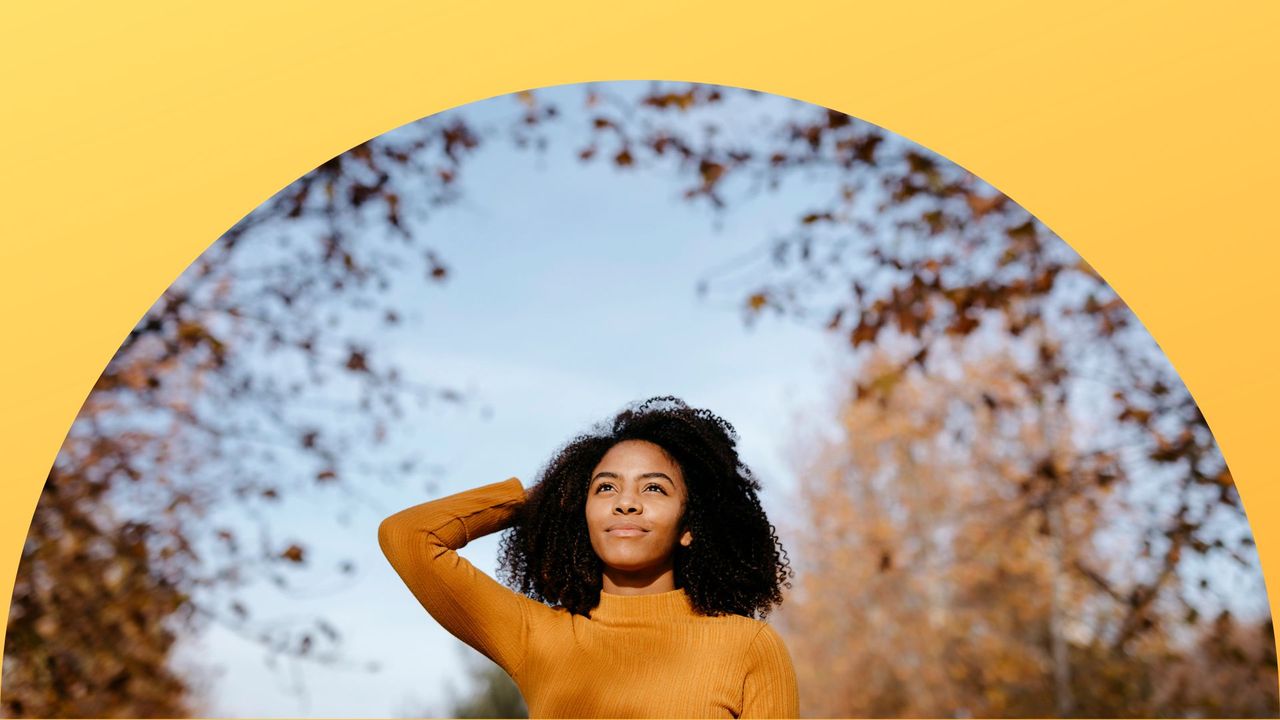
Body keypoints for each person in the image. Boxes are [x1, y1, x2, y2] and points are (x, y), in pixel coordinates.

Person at [378, 396, 798, 718]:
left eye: (653, 488)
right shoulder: (537, 637)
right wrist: (544, 500)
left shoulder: (748, 647)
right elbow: (408, 537)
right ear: (582, 513)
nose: (626, 503)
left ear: (690, 527)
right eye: (605, 488)